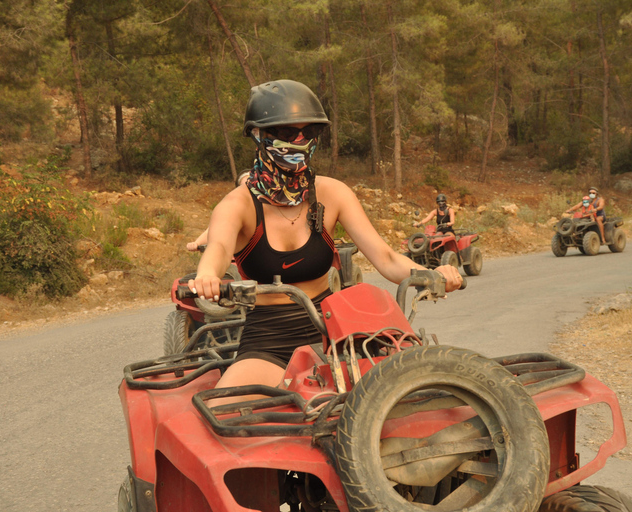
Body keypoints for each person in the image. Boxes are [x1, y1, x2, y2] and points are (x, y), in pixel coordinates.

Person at [189, 79, 462, 404]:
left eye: (309, 134)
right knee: (222, 416)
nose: (300, 142)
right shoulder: (237, 205)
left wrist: (433, 274)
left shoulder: (333, 193)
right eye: (289, 134)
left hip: (337, 327)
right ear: (260, 136)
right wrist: (207, 275)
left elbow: (386, 258)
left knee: (411, 404)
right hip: (270, 339)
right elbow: (218, 248)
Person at [186, 170, 251, 252]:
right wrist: (196, 243)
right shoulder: (234, 210)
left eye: (250, 185)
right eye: (243, 186)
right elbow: (216, 229)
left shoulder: (268, 207)